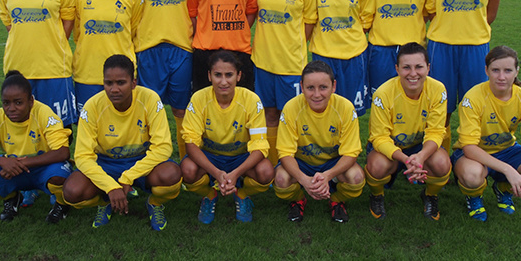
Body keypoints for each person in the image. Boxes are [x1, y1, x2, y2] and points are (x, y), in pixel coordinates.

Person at [62, 55, 182, 231]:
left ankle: (155, 203)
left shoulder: (150, 99)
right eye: (109, 83)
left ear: (133, 83)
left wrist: (128, 177)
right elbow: (82, 156)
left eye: (121, 82)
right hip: (106, 163)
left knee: (171, 175)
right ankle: (105, 200)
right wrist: (110, 187)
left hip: (141, 161)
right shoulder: (92, 106)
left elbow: (163, 147)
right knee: (73, 192)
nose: (114, 89)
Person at [426, 0, 507, 152]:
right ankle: (440, 160)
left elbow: (490, 14)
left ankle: (469, 158)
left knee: (475, 106)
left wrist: (471, 30)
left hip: (475, 47)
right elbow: (431, 11)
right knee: (443, 108)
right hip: (441, 46)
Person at [452, 46, 521, 221]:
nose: (501, 77)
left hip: (507, 150)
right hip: (474, 153)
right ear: (486, 71)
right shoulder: (473, 98)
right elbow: (469, 147)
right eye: (495, 70)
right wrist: (509, 170)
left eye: (508, 70)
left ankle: (504, 188)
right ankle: (474, 196)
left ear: (516, 71)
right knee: (472, 175)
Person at [128, 0, 196, 160]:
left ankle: (185, 162)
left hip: (181, 47)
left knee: (181, 110)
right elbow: (132, 7)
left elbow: (194, 7)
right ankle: (152, 163)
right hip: (148, 48)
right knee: (149, 111)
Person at [0, 0, 77, 128]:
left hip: (54, 67)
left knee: (60, 127)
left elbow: (68, 19)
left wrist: (52, 41)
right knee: (22, 126)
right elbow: (9, 22)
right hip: (19, 66)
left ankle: (60, 162)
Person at [0, 71, 72, 223]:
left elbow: (63, 152)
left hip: (43, 167)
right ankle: (12, 197)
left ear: (31, 101)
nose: (11, 108)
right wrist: (3, 162)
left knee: (60, 176)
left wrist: (22, 163)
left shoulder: (43, 113)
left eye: (18, 102)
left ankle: (62, 204)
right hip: (11, 168)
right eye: (6, 103)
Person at [181, 50, 274, 224]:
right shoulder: (199, 99)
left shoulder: (251, 100)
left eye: (229, 75)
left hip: (240, 158)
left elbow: (260, 146)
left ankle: (243, 194)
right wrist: (216, 173)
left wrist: (234, 173)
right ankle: (210, 195)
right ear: (209, 76)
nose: (223, 81)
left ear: (238, 76)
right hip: (211, 158)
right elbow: (191, 143)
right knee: (187, 169)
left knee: (266, 171)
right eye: (218, 75)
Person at [252, 0, 316, 166]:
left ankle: (292, 163)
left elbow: (309, 21)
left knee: (289, 116)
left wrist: (292, 44)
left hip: (291, 63)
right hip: (263, 61)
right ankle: (273, 162)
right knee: (268, 114)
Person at [365, 42, 450, 221]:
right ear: (397, 69)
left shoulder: (438, 89)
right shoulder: (383, 93)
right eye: (406, 67)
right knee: (377, 165)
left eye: (419, 67)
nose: (413, 73)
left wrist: (421, 157)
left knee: (442, 163)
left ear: (428, 67)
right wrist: (405, 159)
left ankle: (430, 195)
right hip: (392, 149)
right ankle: (377, 195)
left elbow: (436, 131)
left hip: (419, 148)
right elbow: (379, 138)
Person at [274, 60, 365, 223]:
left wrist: (327, 176)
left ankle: (336, 199)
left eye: (323, 87)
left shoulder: (345, 108)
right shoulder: (291, 108)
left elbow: (351, 153)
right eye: (310, 88)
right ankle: (299, 198)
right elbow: (285, 153)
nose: (317, 94)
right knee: (280, 179)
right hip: (302, 163)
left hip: (332, 164)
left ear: (334, 86)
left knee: (356, 177)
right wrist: (304, 180)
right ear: (302, 87)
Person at [73, 0, 143, 113]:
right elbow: (77, 32)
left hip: (121, 75)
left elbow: (134, 31)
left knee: (121, 127)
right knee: (87, 126)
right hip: (87, 72)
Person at [308, 0, 374, 116]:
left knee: (351, 109)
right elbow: (310, 20)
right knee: (323, 106)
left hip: (354, 55)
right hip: (323, 55)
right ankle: (327, 143)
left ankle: (350, 144)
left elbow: (366, 20)